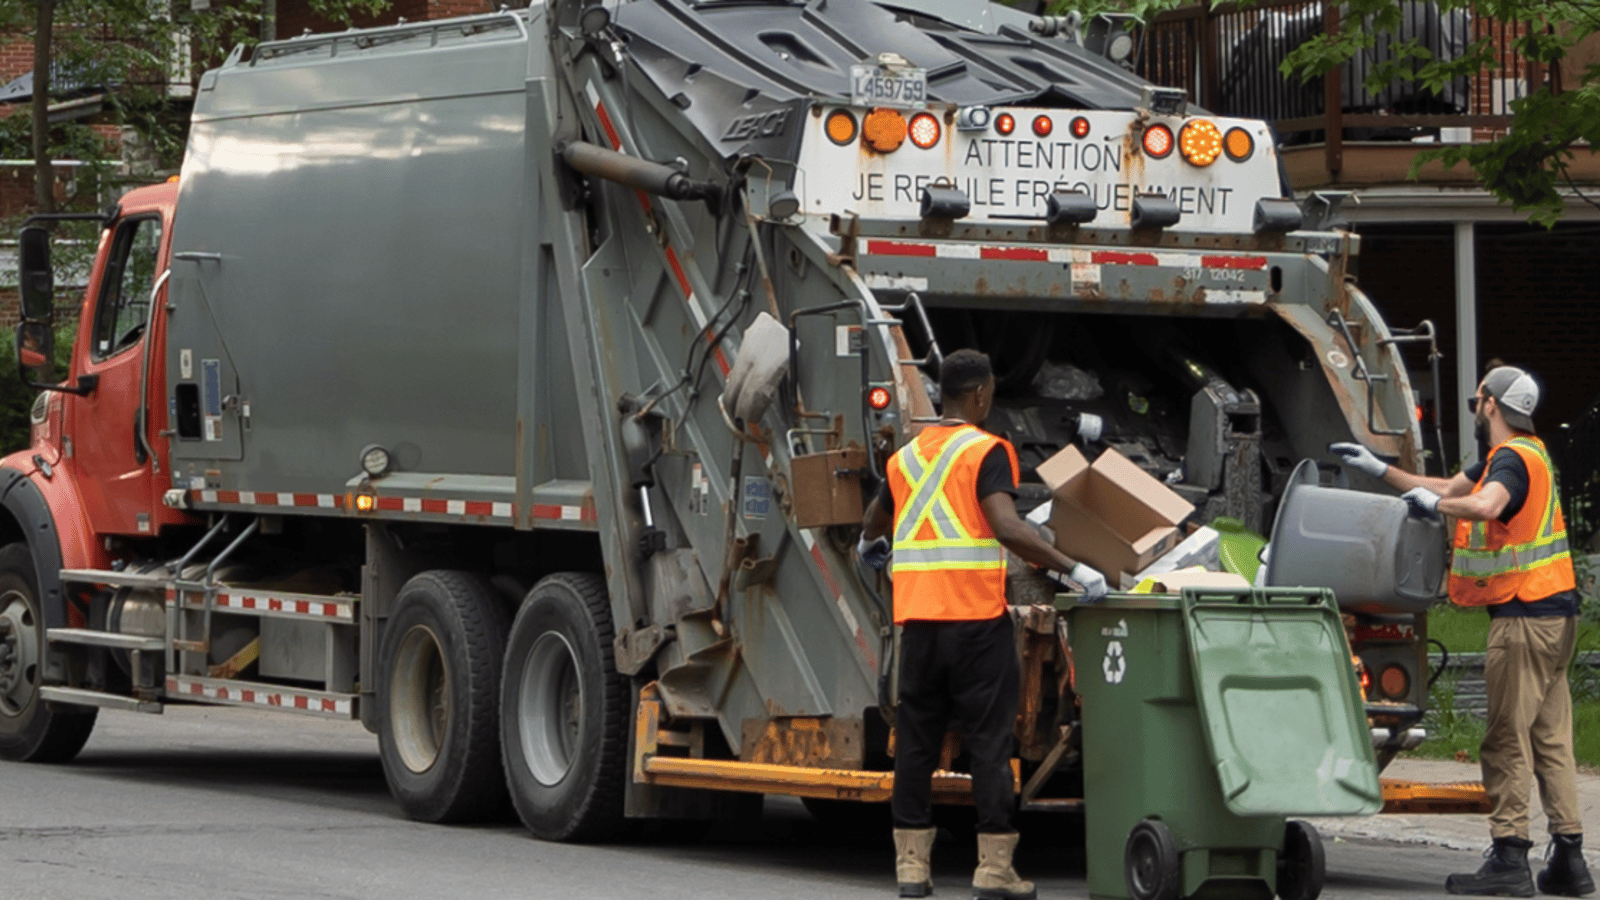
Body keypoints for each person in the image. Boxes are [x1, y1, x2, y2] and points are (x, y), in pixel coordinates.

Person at [1332, 365, 1592, 898]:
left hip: (1524, 619)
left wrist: (1442, 507)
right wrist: (1381, 472)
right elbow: (1444, 487)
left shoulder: (1512, 463)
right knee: (1550, 738)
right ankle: (1569, 858)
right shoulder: (1525, 454)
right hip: (1556, 616)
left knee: (1504, 741)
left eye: (1477, 401)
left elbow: (1482, 504)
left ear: (1491, 405)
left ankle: (1510, 858)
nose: (1474, 409)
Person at [857, 349, 1108, 900]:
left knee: (918, 745)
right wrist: (1073, 568)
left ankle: (911, 870)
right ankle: (994, 871)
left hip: (919, 626)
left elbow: (874, 524)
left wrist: (870, 549)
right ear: (979, 396)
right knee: (990, 747)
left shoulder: (905, 458)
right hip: (975, 623)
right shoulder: (988, 450)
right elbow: (1007, 527)